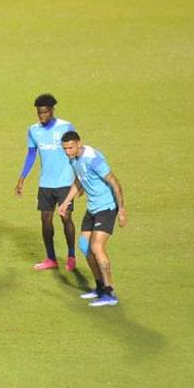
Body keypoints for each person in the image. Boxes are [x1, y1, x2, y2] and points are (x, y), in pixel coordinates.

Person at [59, 131, 127, 307]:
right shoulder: (73, 158)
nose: (67, 151)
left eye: (70, 148)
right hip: (92, 207)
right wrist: (66, 202)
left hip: (106, 207)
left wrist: (121, 209)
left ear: (79, 144)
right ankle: (100, 287)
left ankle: (110, 293)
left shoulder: (93, 159)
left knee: (96, 247)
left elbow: (114, 181)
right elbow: (79, 180)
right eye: (65, 148)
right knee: (84, 246)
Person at [16, 93, 77, 271]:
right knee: (45, 220)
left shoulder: (65, 127)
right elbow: (31, 154)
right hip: (46, 183)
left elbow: (75, 152)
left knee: (66, 218)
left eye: (45, 112)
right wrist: (22, 178)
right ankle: (51, 258)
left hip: (65, 182)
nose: (42, 116)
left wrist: (79, 179)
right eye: (39, 113)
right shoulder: (33, 130)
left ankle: (71, 256)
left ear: (52, 110)